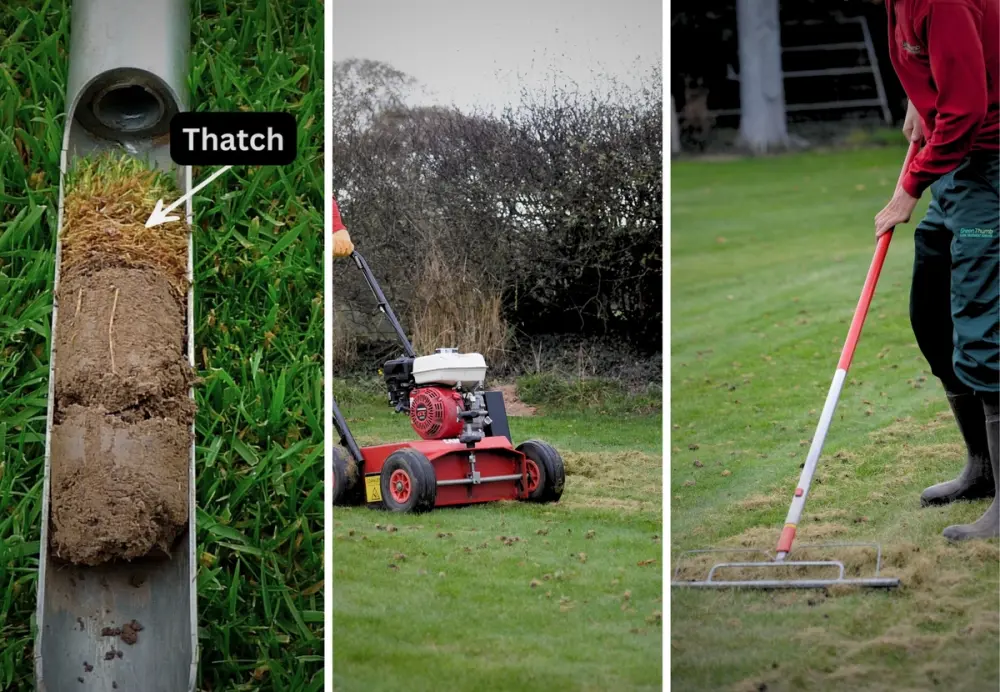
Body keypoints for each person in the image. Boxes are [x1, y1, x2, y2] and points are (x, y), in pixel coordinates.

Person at [875, 0, 998, 541]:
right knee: (933, 314)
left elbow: (967, 109)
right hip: (956, 166)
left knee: (982, 327)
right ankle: (983, 467)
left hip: (988, 163)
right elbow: (944, 62)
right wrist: (916, 100)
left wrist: (908, 189)